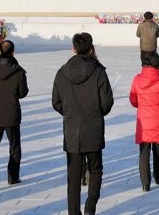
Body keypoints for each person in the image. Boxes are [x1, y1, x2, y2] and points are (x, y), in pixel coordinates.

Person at [52, 32, 115, 215]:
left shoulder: (62, 72)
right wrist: (96, 112)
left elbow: (56, 102)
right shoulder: (98, 71)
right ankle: (90, 207)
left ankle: (74, 212)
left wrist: (70, 113)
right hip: (93, 128)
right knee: (95, 169)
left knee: (73, 175)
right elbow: (107, 102)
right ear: (91, 48)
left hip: (72, 130)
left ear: (73, 49)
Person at [0, 39, 28, 191]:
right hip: (11, 114)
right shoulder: (18, 71)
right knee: (14, 146)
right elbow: (22, 93)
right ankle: (13, 176)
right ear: (13, 52)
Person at [129, 52, 159, 192]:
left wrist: (142, 106)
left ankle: (145, 183)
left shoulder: (137, 80)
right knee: (158, 150)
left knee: (144, 151)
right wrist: (158, 108)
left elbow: (133, 99)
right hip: (158, 118)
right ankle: (158, 177)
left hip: (143, 119)